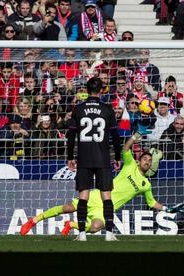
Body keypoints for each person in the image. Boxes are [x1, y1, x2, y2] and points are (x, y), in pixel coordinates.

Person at [20, 134, 184, 236]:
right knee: (67, 208)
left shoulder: (146, 185)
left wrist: (167, 209)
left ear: (151, 166)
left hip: (107, 208)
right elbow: (125, 149)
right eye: (145, 159)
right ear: (139, 159)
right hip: (98, 195)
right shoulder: (130, 165)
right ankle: (33, 221)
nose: (147, 162)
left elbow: (151, 202)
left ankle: (71, 225)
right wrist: (135, 136)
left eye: (150, 161)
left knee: (96, 227)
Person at [65, 77, 121, 241]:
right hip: (102, 157)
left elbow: (71, 136)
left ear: (86, 90)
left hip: (84, 157)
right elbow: (115, 136)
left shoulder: (78, 109)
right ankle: (109, 233)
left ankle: (81, 233)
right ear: (102, 90)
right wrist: (117, 156)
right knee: (106, 196)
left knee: (83, 196)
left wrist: (70, 157)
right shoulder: (107, 109)